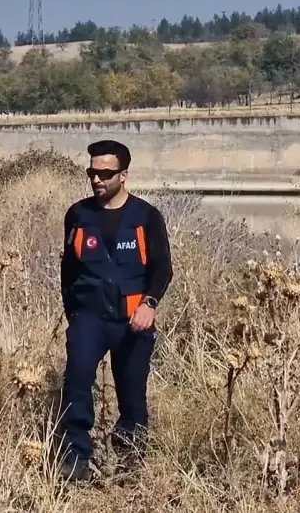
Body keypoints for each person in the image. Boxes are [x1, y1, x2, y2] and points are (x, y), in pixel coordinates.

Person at [57, 139, 173, 484]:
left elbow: (163, 268)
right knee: (77, 381)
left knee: (132, 390)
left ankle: (131, 461)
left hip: (133, 320)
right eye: (92, 172)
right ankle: (76, 460)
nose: (96, 179)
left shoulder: (146, 216)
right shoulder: (78, 214)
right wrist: (74, 314)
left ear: (123, 175)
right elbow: (68, 271)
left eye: (105, 173)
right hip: (89, 318)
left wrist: (149, 304)